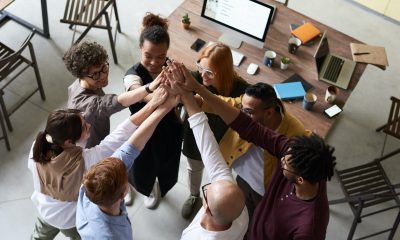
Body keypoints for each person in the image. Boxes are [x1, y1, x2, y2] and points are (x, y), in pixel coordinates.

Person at [175, 64, 337, 240]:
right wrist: (195, 90)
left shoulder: (309, 228)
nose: (281, 160)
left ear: (299, 179)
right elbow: (247, 126)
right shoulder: (294, 151)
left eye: (285, 164)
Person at [28, 89, 166, 239]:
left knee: (39, 236)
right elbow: (122, 134)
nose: (89, 125)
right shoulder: (86, 162)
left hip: (44, 208)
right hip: (69, 220)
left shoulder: (38, 147)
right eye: (84, 127)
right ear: (68, 141)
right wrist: (153, 104)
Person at [203, 82, 309, 232]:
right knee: (240, 214)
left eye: (248, 112)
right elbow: (221, 103)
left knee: (257, 223)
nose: (241, 116)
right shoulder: (248, 103)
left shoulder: (295, 133)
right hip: (242, 179)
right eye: (242, 109)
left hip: (264, 191)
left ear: (269, 112)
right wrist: (195, 98)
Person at [76, 91, 178, 239]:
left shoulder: (90, 187)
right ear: (124, 193)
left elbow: (132, 146)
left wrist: (164, 108)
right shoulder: (112, 236)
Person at [170, 76, 248, 240]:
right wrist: (187, 96)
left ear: (206, 208)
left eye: (206, 190)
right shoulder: (239, 212)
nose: (213, 180)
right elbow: (209, 149)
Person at [181, 42, 249, 219]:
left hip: (224, 144)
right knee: (194, 168)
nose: (202, 75)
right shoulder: (194, 78)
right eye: (200, 67)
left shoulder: (241, 90)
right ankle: (194, 194)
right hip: (195, 139)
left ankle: (213, 204)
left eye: (209, 72)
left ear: (223, 72)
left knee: (218, 178)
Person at [123, 12, 183, 209]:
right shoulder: (132, 76)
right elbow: (138, 92)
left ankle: (154, 188)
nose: (155, 62)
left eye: (161, 57)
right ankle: (130, 187)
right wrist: (158, 97)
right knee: (138, 164)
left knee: (165, 164)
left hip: (168, 128)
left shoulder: (173, 68)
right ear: (140, 48)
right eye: (148, 55)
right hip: (142, 128)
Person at [64, 40, 161, 149]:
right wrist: (149, 88)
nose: (103, 76)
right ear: (81, 76)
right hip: (93, 151)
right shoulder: (86, 105)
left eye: (104, 67)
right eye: (95, 74)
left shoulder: (79, 84)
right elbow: (115, 102)